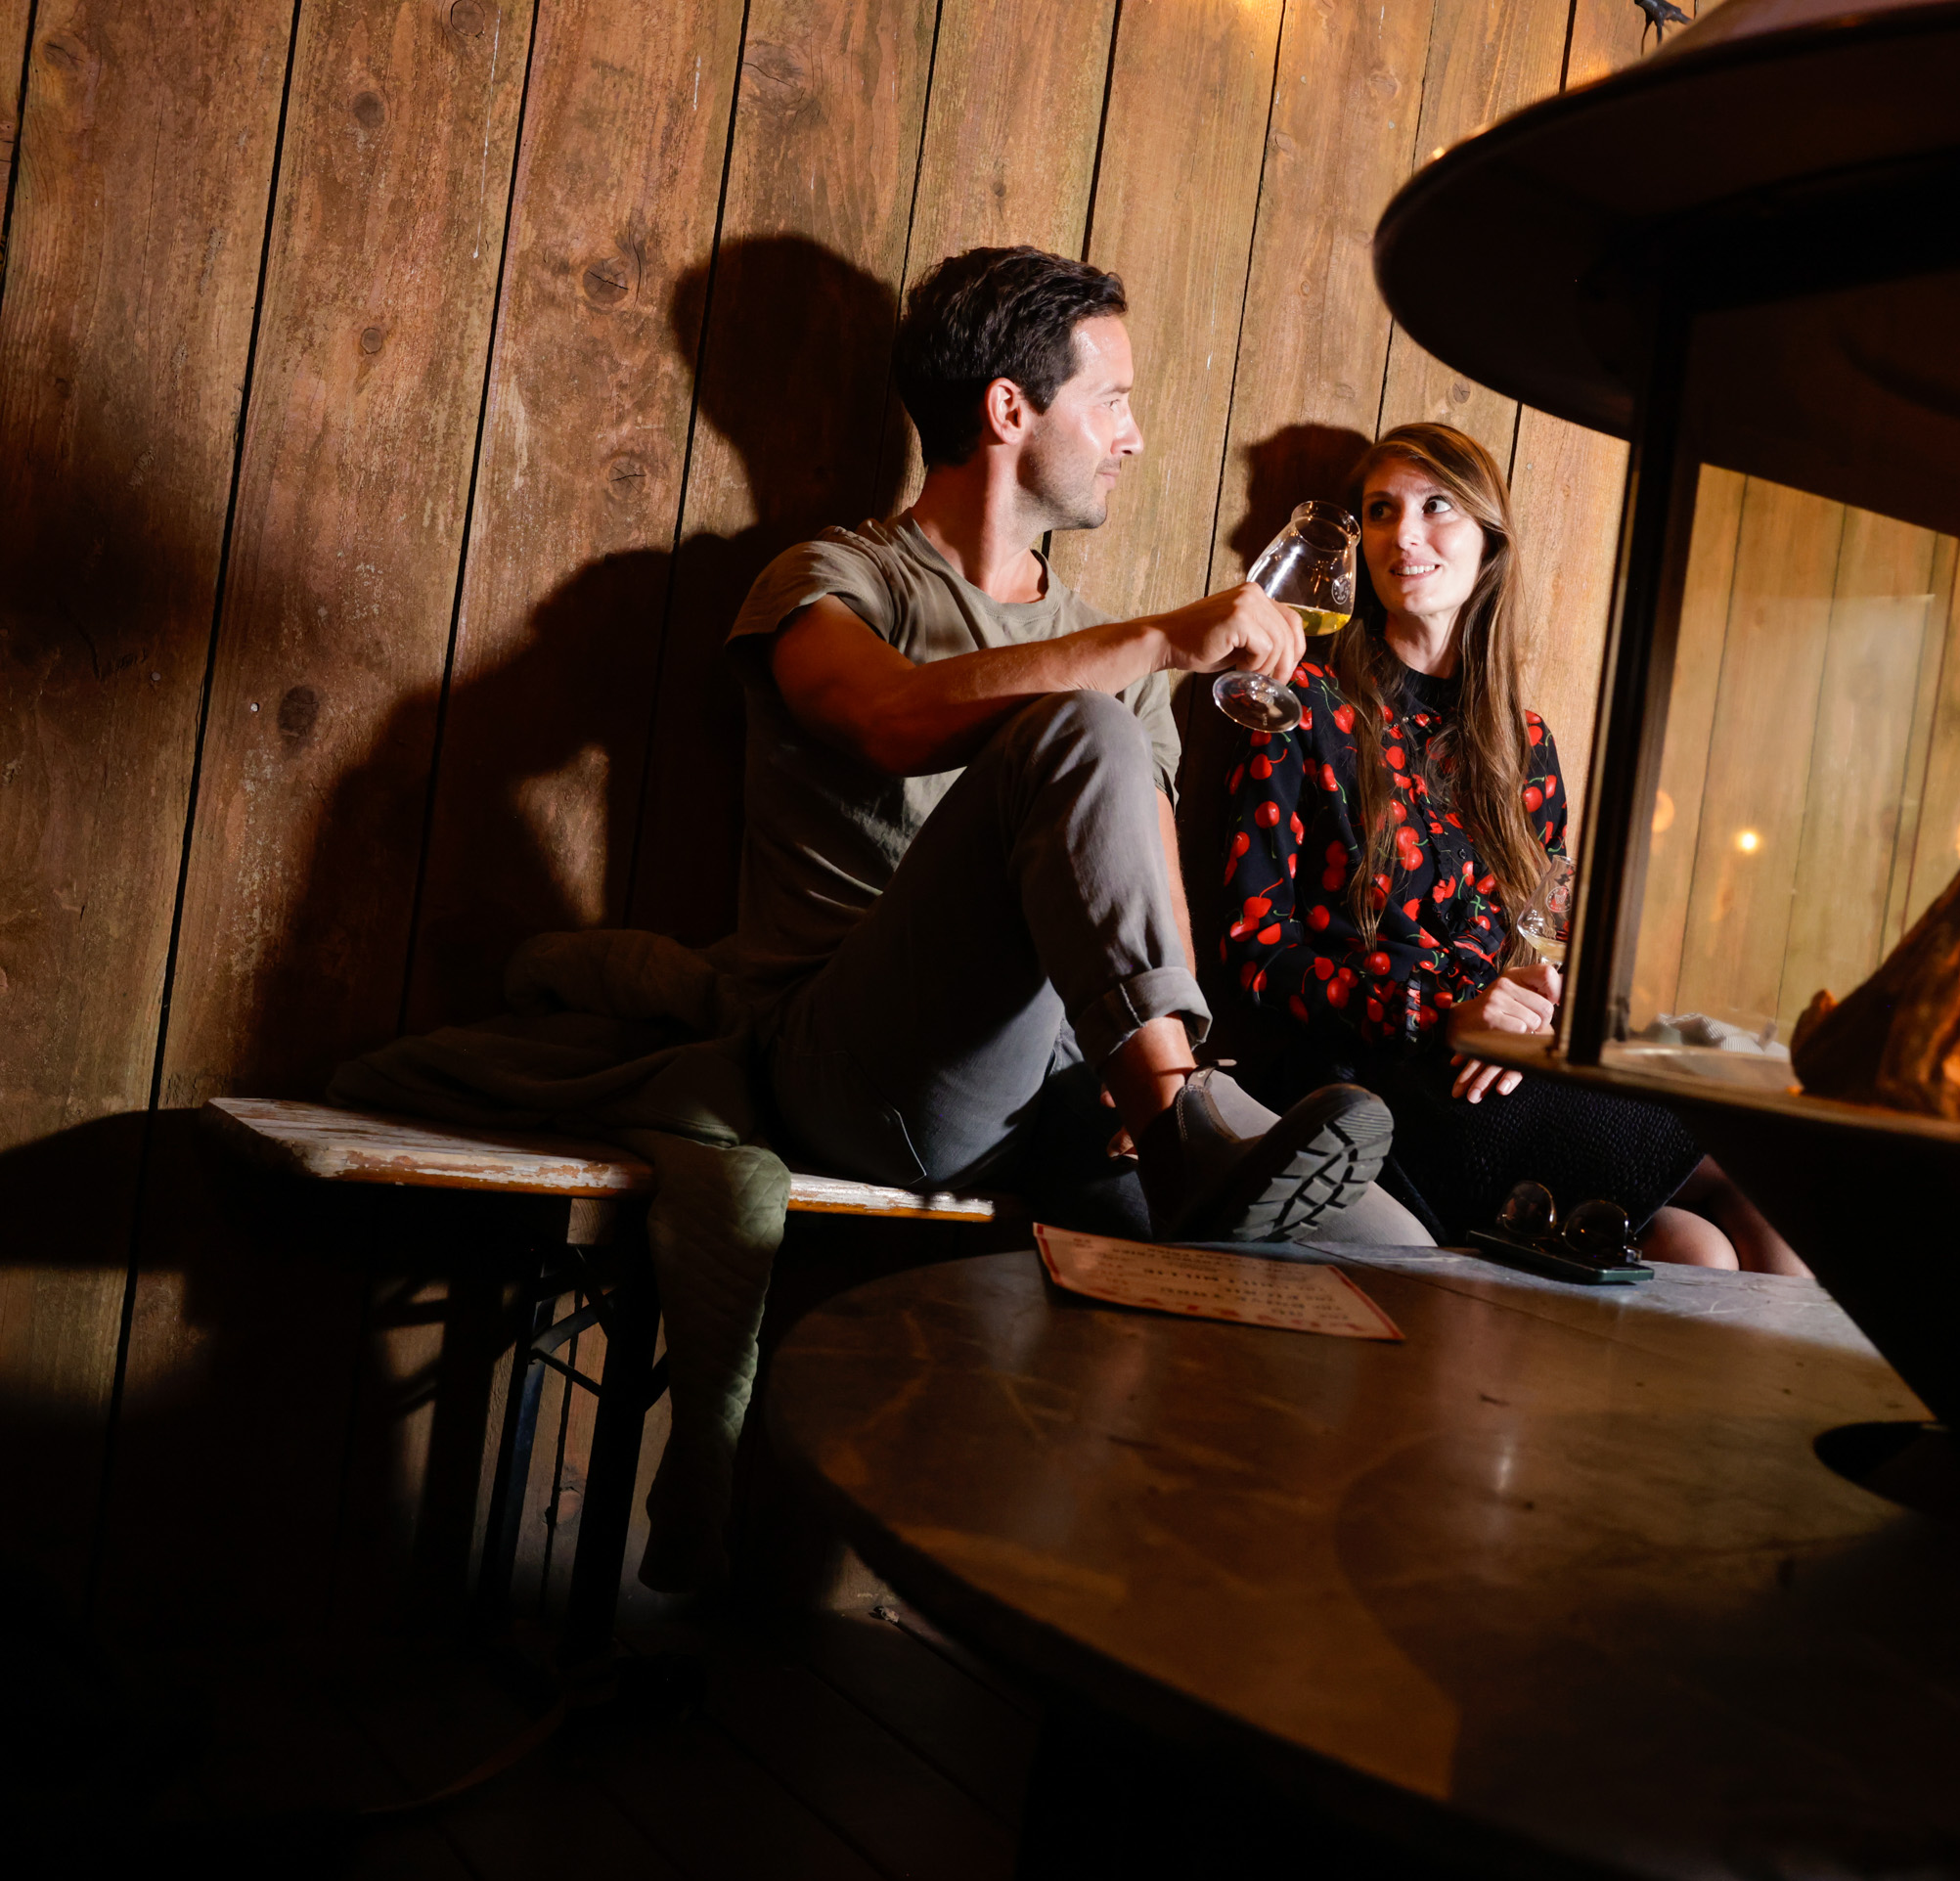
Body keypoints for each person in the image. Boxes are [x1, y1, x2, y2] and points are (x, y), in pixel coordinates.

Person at [716, 245, 1392, 1240]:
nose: (1137, 436)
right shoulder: (835, 579)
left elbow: (1152, 903)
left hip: (1067, 1085)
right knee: (1084, 725)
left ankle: (1169, 1120)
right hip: (860, 1063)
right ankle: (1178, 1138)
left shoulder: (1114, 661)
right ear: (1006, 411)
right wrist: (1159, 639)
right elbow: (886, 718)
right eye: (1111, 401)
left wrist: (1159, 1067)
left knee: (1395, 1255)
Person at [1216, 424, 1803, 1271]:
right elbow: (1258, 953)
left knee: (1696, 1246)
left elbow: (1540, 936)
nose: (1403, 534)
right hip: (1380, 1082)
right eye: (1380, 511)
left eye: (1435, 506)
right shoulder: (1300, 705)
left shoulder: (1524, 745)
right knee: (1755, 1167)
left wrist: (1536, 1008)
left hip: (1504, 1072)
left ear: (1490, 539)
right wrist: (1440, 1011)